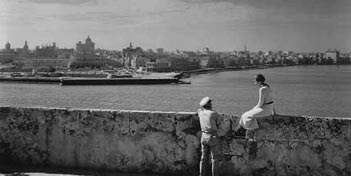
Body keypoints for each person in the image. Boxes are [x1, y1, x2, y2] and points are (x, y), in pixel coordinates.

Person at [239, 74, 274, 158]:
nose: (254, 82)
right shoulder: (268, 87)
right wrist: (273, 112)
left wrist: (252, 109)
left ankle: (251, 128)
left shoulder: (262, 89)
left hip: (264, 109)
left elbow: (260, 104)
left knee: (246, 115)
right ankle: (252, 128)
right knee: (249, 114)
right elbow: (271, 101)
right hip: (269, 108)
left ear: (259, 81)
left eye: (255, 81)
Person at [198, 97, 221, 176]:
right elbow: (219, 124)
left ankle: (202, 174)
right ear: (208, 105)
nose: (211, 104)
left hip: (204, 136)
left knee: (203, 158)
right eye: (210, 103)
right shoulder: (214, 113)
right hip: (212, 136)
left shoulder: (200, 112)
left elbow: (199, 110)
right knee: (214, 158)